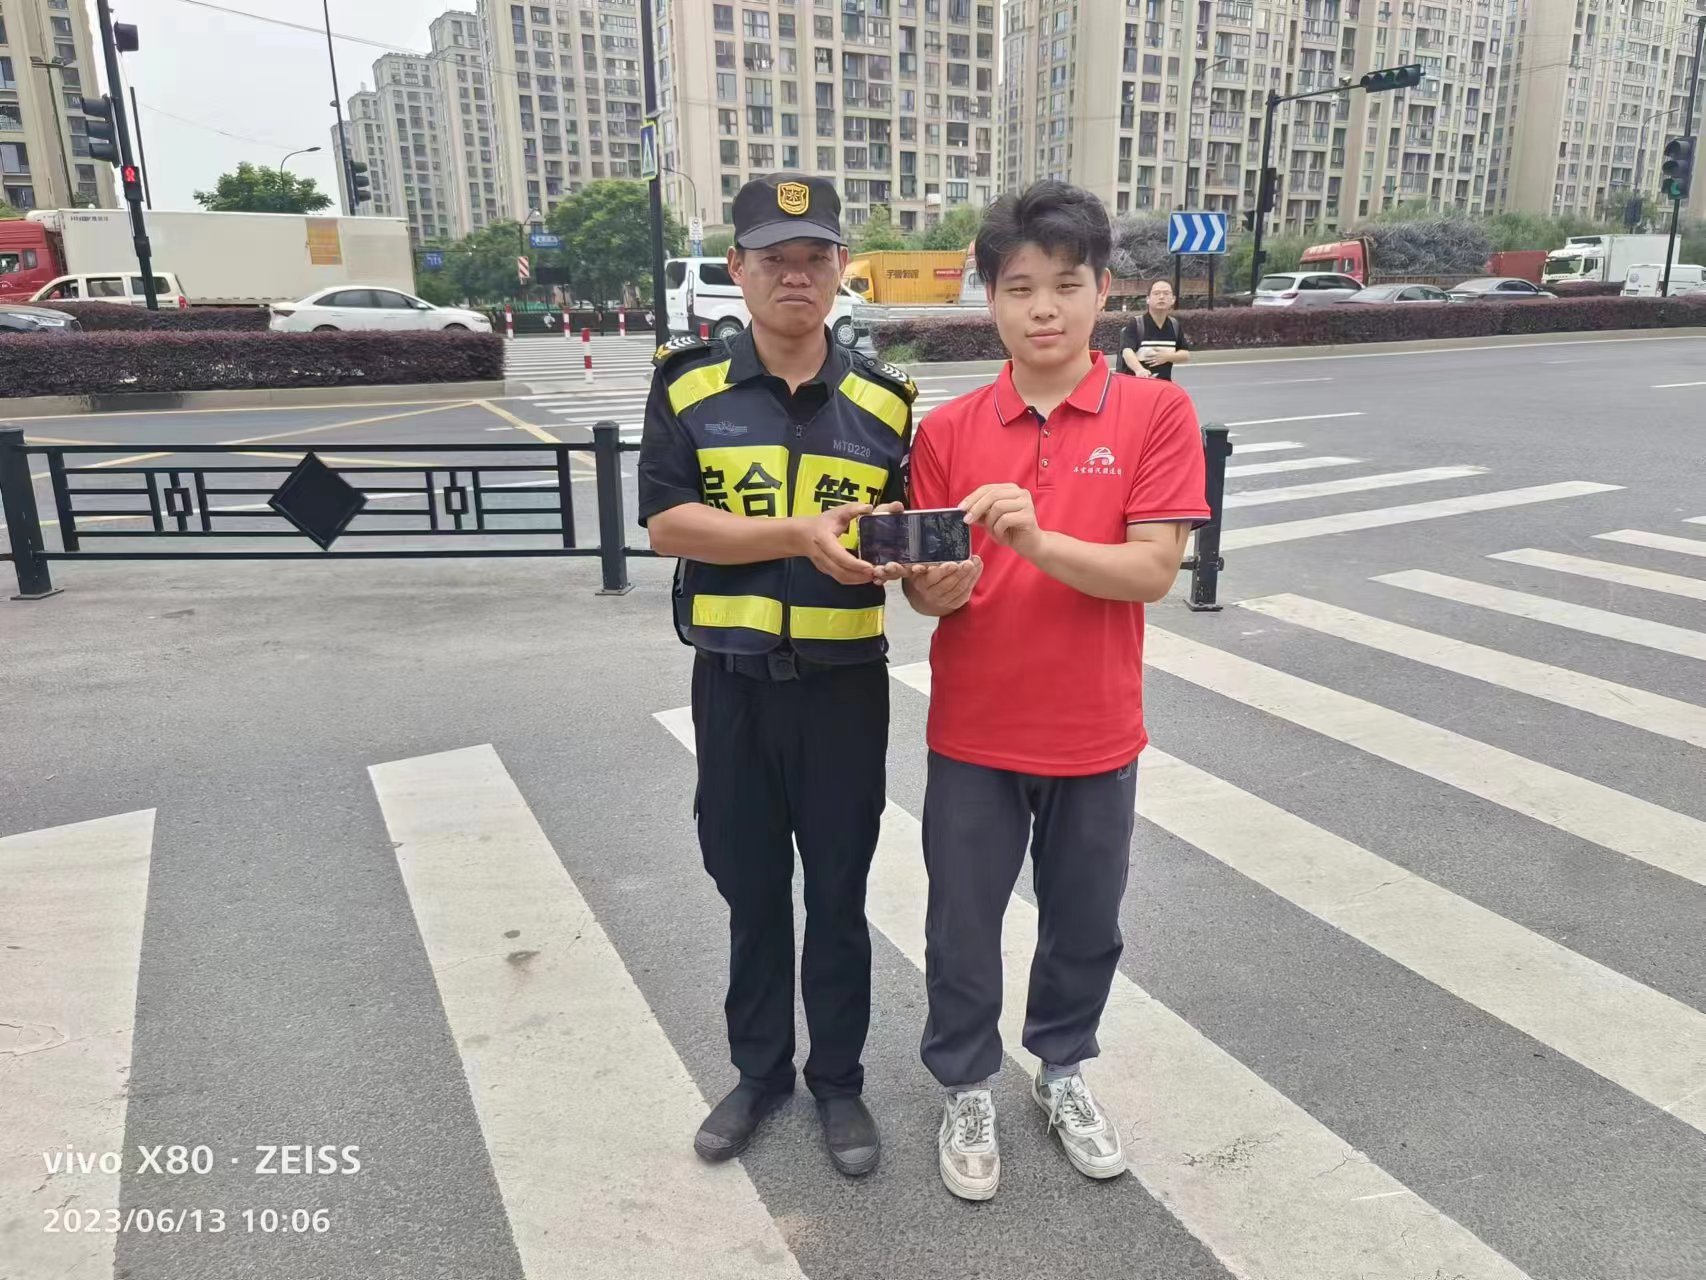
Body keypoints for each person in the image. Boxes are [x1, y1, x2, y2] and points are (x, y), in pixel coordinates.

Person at [900, 181, 1211, 1201]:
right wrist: (934, 588)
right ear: (990, 297)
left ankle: (1062, 1068)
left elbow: (1152, 570)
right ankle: (964, 1083)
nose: (1043, 308)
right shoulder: (947, 431)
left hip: (1094, 728)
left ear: (1101, 290)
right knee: (959, 925)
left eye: (1065, 285)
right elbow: (930, 589)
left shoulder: (1154, 411)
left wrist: (1033, 540)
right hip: (974, 730)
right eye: (1020, 286)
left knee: (1084, 922)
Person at [636, 172, 918, 1178]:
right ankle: (759, 1074)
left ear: (842, 270)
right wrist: (797, 532)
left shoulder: (887, 402)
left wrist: (914, 557)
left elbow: (904, 533)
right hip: (734, 684)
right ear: (737, 269)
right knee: (750, 889)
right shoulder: (686, 386)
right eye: (773, 258)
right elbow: (668, 523)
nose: (794, 275)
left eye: (813, 257)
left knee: (838, 891)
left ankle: (837, 1080)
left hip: (844, 688)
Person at [1118, 279, 1191, 381]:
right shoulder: (1137, 323)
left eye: (1166, 293)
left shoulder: (1174, 325)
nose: (1161, 297)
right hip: (1136, 385)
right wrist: (1139, 370)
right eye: (1156, 293)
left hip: (1163, 386)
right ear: (1148, 299)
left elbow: (1185, 355)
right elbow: (1127, 351)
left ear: (1173, 299)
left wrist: (1167, 357)